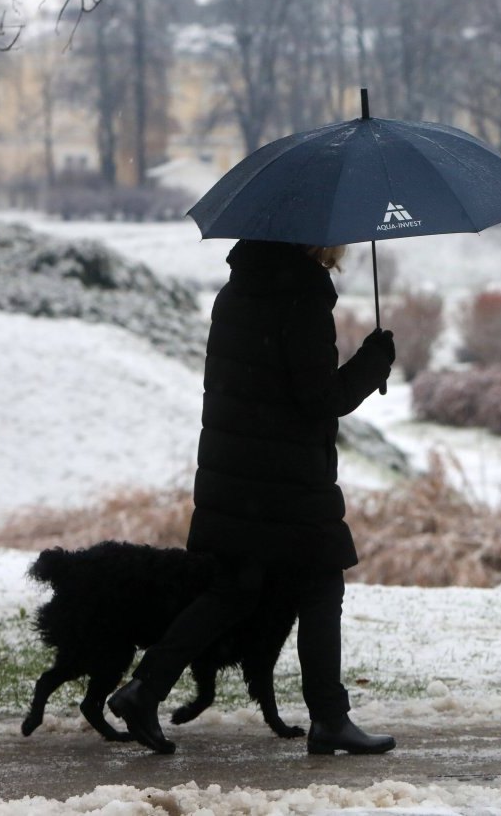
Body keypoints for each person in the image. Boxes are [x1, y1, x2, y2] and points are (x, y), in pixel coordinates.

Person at [108, 239, 396, 756]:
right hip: (285, 480)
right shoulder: (302, 295)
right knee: (321, 583)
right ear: (317, 240)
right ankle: (329, 718)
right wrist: (373, 362)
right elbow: (319, 399)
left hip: (234, 476)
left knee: (234, 590)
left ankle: (143, 690)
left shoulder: (237, 289)